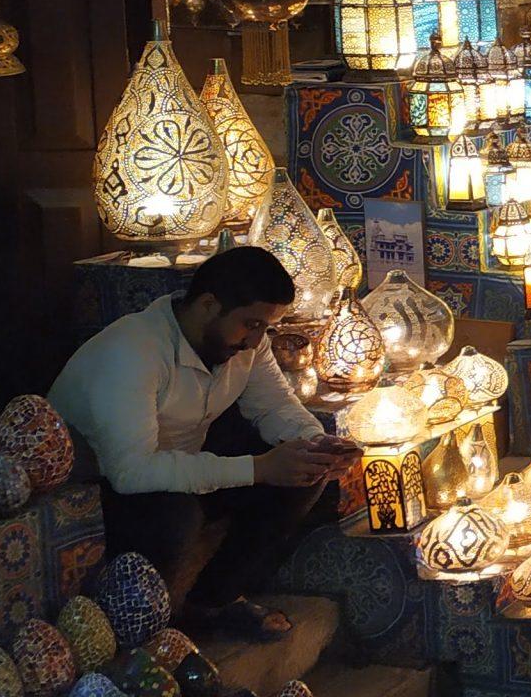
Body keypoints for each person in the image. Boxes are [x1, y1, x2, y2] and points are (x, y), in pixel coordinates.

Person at [49, 246, 358, 641]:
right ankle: (144, 634)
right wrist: (260, 467)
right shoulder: (132, 351)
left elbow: (275, 406)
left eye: (265, 328)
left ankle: (212, 603)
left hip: (178, 466)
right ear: (209, 305)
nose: (256, 341)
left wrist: (316, 444)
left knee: (301, 473)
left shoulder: (244, 343)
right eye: (251, 324)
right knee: (176, 515)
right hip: (99, 492)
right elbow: (131, 471)